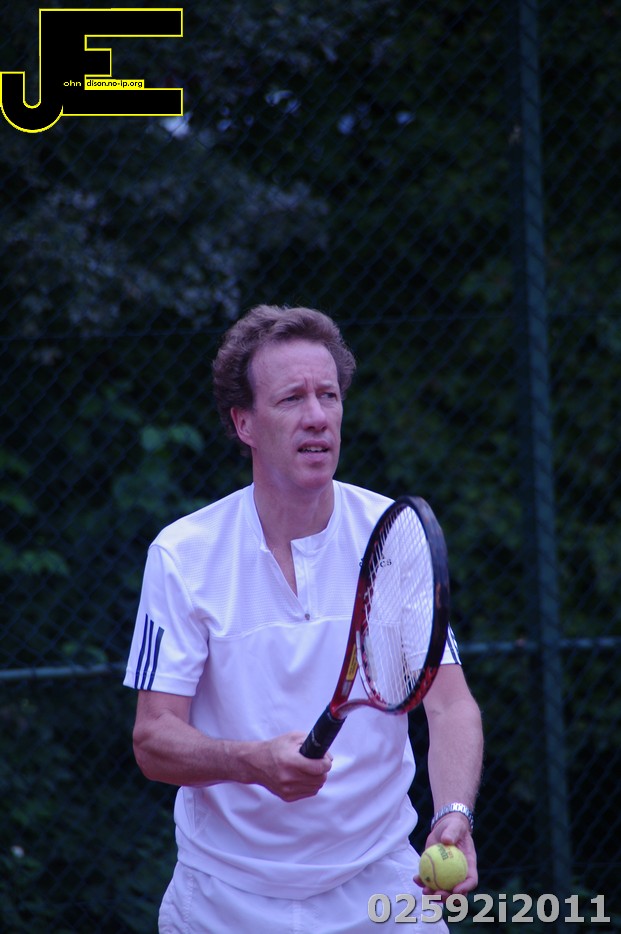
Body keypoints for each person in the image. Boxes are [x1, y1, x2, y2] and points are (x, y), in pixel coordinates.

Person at [124, 304, 483, 932]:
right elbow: (154, 740)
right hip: (223, 902)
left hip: (384, 891)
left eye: (328, 395)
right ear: (244, 422)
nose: (317, 415)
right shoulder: (183, 555)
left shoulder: (392, 538)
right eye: (291, 398)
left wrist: (454, 813)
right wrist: (250, 761)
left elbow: (450, 706)